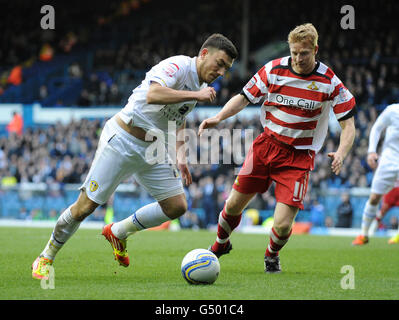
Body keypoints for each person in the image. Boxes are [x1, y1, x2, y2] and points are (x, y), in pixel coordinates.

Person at [32, 33, 238, 280]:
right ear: (204, 54)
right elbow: (154, 94)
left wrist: (181, 157)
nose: (221, 71)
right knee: (85, 207)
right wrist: (196, 96)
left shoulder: (200, 86)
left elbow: (178, 118)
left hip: (153, 148)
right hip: (122, 140)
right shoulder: (177, 66)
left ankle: (118, 232)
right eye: (220, 63)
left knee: (176, 207)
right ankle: (46, 256)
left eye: (226, 68)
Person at [198, 23, 356, 273]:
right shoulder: (273, 69)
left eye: (304, 53)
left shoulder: (329, 82)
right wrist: (219, 117)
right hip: (266, 146)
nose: (298, 58)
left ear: (315, 49)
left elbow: (348, 125)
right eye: (294, 52)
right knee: (231, 206)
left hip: (298, 157)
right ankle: (221, 243)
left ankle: (271, 254)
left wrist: (342, 152)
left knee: (282, 226)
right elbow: (244, 97)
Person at [351, 103, 399, 246]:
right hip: (388, 161)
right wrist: (372, 151)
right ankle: (364, 234)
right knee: (374, 198)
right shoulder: (393, 110)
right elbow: (377, 127)